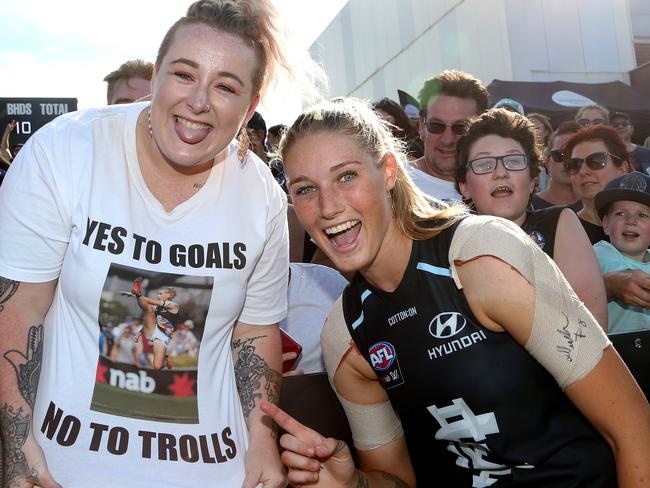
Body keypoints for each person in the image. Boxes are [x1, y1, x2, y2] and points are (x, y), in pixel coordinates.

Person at [0, 0, 323, 485]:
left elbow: (255, 334)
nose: (199, 101)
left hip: (215, 472)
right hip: (66, 472)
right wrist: (18, 445)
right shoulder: (65, 151)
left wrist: (260, 441)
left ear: (250, 107)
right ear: (155, 78)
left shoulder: (262, 199)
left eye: (226, 86)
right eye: (184, 74)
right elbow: (19, 308)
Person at [264, 97, 650, 487]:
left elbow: (633, 427)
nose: (328, 206)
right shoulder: (345, 335)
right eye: (305, 189)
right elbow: (398, 480)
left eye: (346, 176)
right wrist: (354, 484)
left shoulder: (481, 257)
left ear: (389, 172)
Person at [455, 108, 607, 328]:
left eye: (514, 161)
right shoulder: (451, 245)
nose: (500, 172)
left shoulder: (559, 222)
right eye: (484, 164)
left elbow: (593, 326)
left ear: (533, 179)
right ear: (464, 186)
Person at [409, 70, 489, 201]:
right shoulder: (394, 185)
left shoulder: (497, 188)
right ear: (421, 127)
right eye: (436, 126)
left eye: (461, 128)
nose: (447, 140)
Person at [593, 172, 650, 333]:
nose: (631, 221)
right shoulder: (600, 252)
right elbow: (627, 279)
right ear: (606, 224)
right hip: (615, 351)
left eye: (642, 215)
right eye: (620, 214)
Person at [563, 125, 631, 245]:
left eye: (596, 161)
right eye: (575, 164)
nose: (583, 171)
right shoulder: (561, 230)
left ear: (622, 169)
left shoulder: (645, 227)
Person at [531, 121, 582, 210]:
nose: (567, 161)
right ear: (547, 162)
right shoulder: (529, 207)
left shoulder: (594, 206)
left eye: (574, 155)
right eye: (560, 155)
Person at [129, 279, 179, 370]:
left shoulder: (173, 305)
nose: (158, 295)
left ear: (168, 295)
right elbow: (145, 306)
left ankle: (165, 360)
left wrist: (139, 295)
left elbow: (153, 302)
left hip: (164, 335)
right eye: (158, 294)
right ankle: (138, 292)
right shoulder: (157, 308)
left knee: (157, 366)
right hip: (154, 331)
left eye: (160, 294)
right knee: (148, 309)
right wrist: (139, 333)